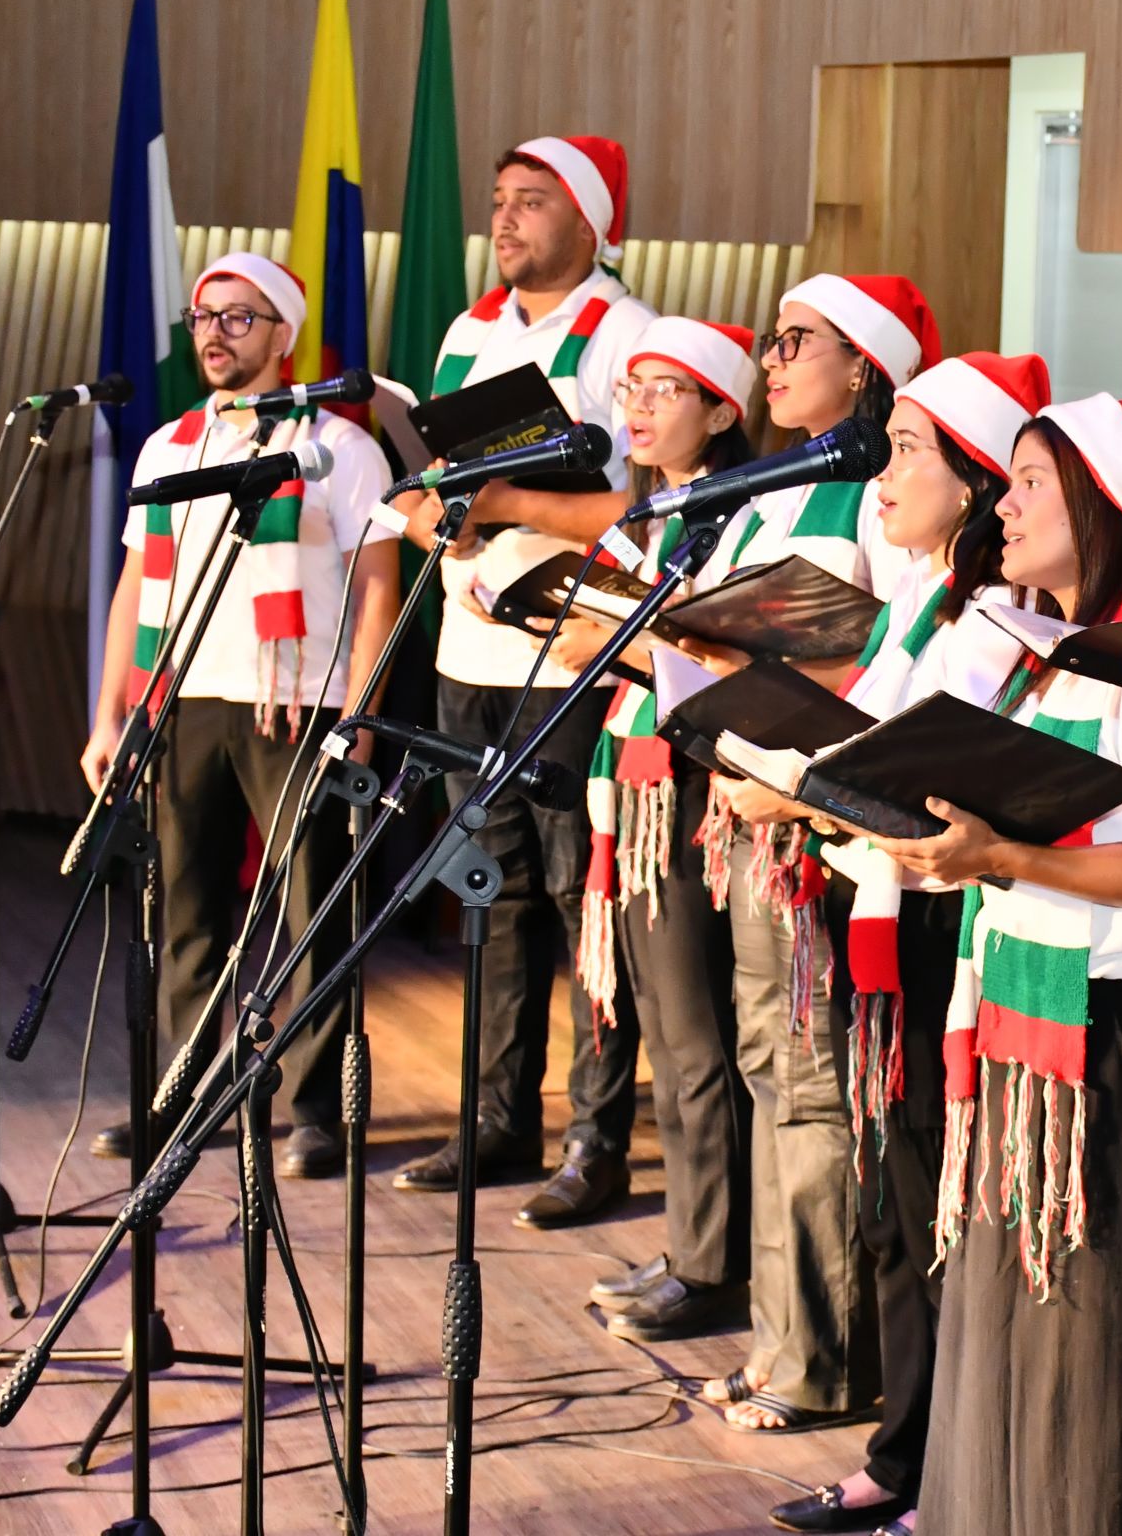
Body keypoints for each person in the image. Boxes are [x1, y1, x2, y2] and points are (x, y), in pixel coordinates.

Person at [877, 392, 1122, 1536]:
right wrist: (951, 851)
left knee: (1095, 1354)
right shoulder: (1036, 651)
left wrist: (1002, 852)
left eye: (1032, 481)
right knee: (1010, 1333)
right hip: (1017, 1023)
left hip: (1113, 1030)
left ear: (1103, 502)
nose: (1007, 502)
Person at [763, 352, 1044, 1533]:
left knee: (923, 1202)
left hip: (934, 930)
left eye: (913, 449)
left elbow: (908, 776)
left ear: (977, 486)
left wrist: (800, 786)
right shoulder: (924, 603)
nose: (883, 470)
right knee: (892, 1199)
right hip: (880, 922)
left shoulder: (993, 621)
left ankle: (928, 1467)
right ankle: (902, 1454)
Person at [82, 252, 398, 1177]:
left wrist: (364, 712)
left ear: (283, 335)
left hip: (299, 706)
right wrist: (109, 717)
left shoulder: (339, 447)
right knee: (182, 910)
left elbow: (379, 584)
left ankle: (313, 1110)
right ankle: (184, 1097)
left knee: (313, 912)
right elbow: (137, 584)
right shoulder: (169, 444)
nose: (215, 334)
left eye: (239, 318)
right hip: (181, 701)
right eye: (204, 317)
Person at [686, 272, 938, 1432]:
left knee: (808, 1089)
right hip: (746, 808)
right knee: (760, 1071)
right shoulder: (758, 494)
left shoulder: (879, 501)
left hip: (820, 832)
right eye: (768, 339)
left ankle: (824, 1357)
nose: (771, 360)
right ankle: (779, 1331)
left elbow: (893, 676)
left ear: (864, 369)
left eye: (799, 342)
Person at [391, 136, 655, 1230]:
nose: (504, 222)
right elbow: (433, 483)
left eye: (531, 203)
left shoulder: (627, 336)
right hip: (465, 653)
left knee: (574, 899)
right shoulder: (467, 330)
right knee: (487, 899)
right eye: (497, 202)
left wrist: (497, 506)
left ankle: (595, 1137)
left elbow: (639, 508)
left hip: (571, 663)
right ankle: (496, 1117)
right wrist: (426, 516)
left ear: (589, 222)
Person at [506, 316, 759, 1342]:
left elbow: (726, 653)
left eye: (666, 389)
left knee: (698, 1040)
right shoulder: (645, 517)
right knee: (664, 1028)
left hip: (691, 793)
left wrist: (617, 640)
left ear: (721, 409)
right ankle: (696, 1242)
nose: (640, 408)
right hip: (632, 781)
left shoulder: (734, 518)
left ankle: (716, 1265)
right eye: (631, 391)